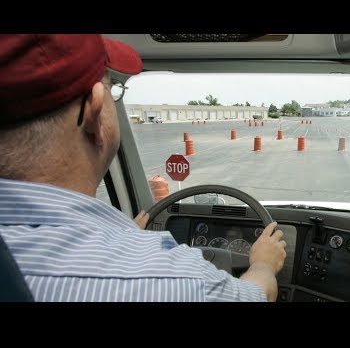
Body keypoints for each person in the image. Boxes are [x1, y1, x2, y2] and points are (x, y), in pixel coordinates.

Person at [0, 34, 287, 302]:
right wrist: (263, 264)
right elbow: (257, 294)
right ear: (94, 112)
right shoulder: (173, 281)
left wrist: (125, 234)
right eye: (114, 90)